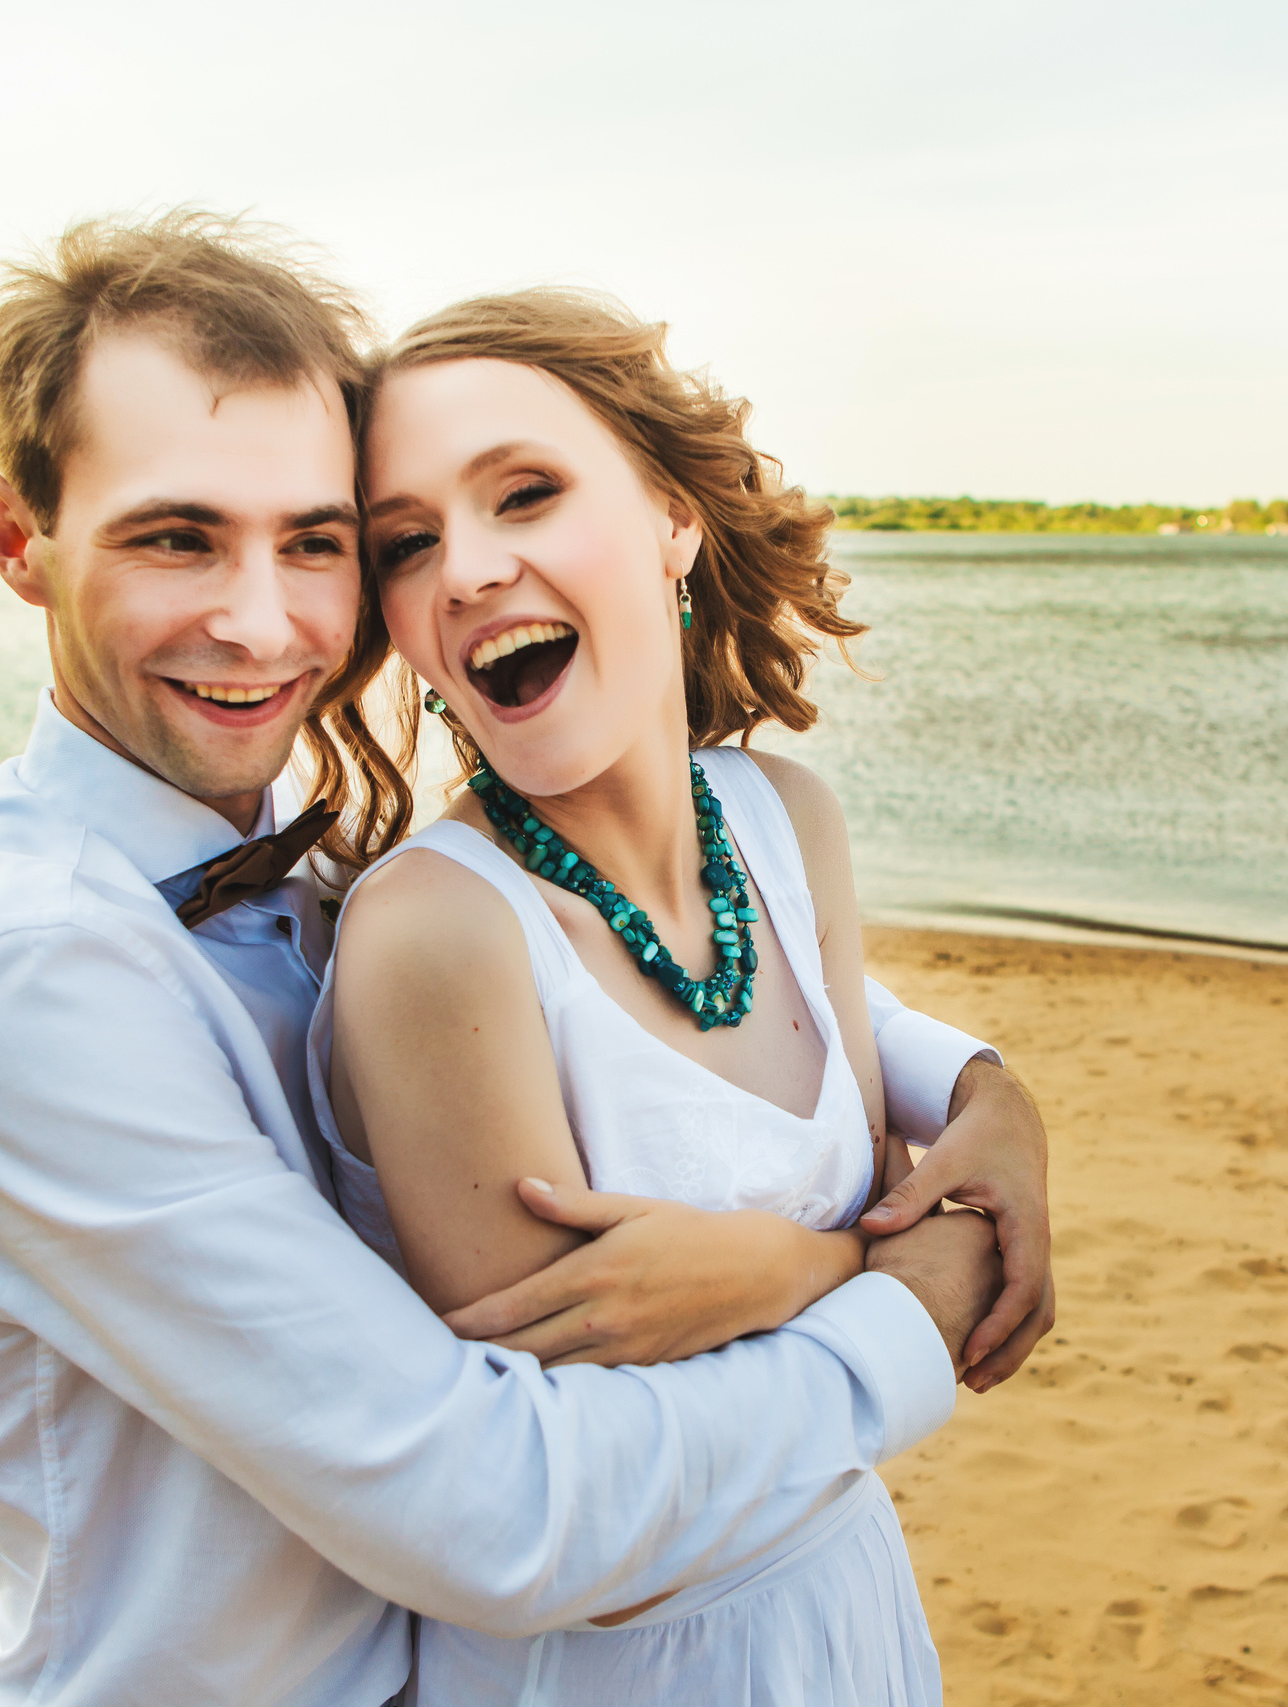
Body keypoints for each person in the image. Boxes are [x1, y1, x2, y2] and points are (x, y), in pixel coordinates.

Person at [0, 211, 1051, 1706]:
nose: (261, 618)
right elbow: (510, 1513)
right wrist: (903, 1285)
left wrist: (984, 1090)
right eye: (176, 535)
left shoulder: (284, 827)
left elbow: (693, 989)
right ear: (19, 541)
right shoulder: (25, 980)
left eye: (319, 543)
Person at [312, 287, 1035, 1703]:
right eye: (408, 544)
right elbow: (597, 1535)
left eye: (526, 493)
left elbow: (883, 1150)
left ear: (671, 520)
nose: (464, 571)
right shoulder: (437, 935)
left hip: (845, 1616)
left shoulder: (783, 822)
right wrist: (838, 1266)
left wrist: (991, 1094)